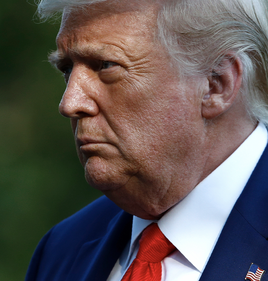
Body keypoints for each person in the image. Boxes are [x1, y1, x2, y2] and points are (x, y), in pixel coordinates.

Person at [25, 0, 268, 280]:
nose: (70, 103)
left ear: (216, 83)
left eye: (105, 65)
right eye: (67, 69)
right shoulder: (61, 250)